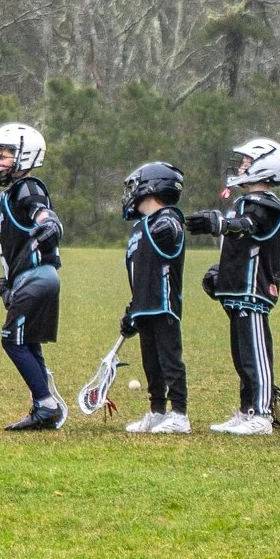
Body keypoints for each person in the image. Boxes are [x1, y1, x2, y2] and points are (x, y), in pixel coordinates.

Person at [184, 137, 280, 437]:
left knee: (255, 353)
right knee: (241, 355)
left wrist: (220, 223)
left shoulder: (265, 204)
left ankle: (262, 413)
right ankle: (247, 410)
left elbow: (249, 227)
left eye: (247, 162)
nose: (241, 166)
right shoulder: (243, 201)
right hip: (236, 289)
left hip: (253, 290)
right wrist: (220, 274)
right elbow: (237, 248)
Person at [0, 121, 65, 431]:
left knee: (12, 340)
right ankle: (43, 407)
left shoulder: (27, 187)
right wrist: (7, 281)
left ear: (24, 156)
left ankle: (46, 404)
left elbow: (41, 213)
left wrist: (50, 224)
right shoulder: (7, 196)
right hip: (29, 278)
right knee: (28, 342)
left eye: (2, 155)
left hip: (38, 277)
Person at [119, 161, 188, 434]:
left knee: (170, 360)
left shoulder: (168, 218)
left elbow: (173, 230)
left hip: (163, 304)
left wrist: (168, 228)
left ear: (152, 186)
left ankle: (180, 414)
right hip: (144, 307)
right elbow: (140, 273)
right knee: (151, 363)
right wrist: (132, 310)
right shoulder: (140, 227)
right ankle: (157, 411)